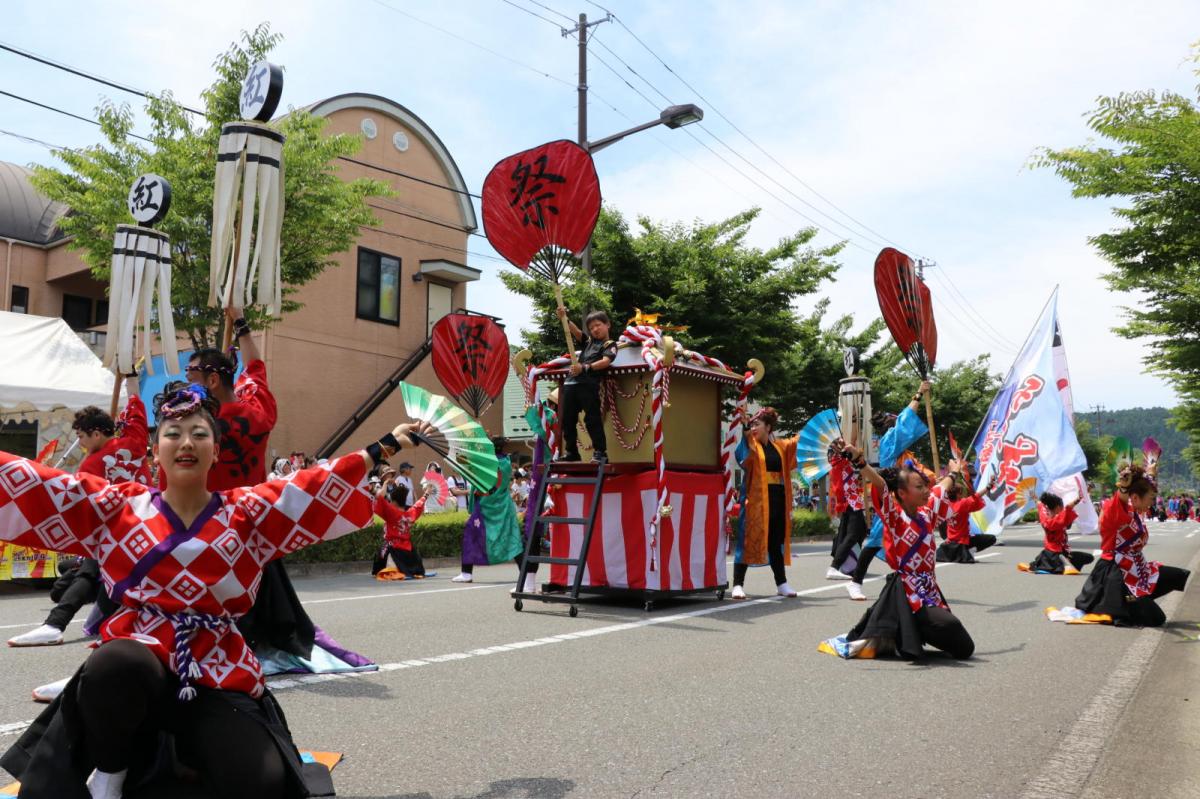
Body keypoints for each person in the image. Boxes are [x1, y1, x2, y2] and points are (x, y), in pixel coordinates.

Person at [0, 379, 433, 798]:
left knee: (259, 778)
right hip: (138, 658)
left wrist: (387, 445)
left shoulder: (247, 512)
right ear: (156, 451)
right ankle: (110, 774)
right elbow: (39, 486)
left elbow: (311, 488)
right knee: (114, 664)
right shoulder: (117, 507)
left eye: (199, 434)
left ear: (216, 450)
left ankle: (189, 754)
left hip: (216, 663)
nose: (186, 443)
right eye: (173, 434)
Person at [8, 373, 148, 648]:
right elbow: (136, 401)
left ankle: (54, 624)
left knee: (89, 574)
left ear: (97, 433)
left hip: (113, 532)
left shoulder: (90, 466)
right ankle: (110, 631)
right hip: (148, 525)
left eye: (82, 436)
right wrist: (131, 376)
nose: (81, 442)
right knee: (111, 581)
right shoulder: (136, 440)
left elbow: (84, 511)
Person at [828, 447, 974, 660]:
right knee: (950, 625)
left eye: (925, 485)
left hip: (930, 589)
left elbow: (941, 488)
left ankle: (907, 633)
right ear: (902, 494)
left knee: (964, 649)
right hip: (908, 592)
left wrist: (954, 472)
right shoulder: (895, 518)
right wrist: (860, 461)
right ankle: (906, 631)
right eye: (919, 487)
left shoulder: (927, 513)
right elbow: (880, 485)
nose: (926, 490)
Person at [1074, 465, 1190, 627]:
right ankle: (1131, 602)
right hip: (1117, 574)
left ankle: (1140, 600)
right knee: (1156, 618)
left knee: (1178, 576)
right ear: (1135, 498)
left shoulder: (1133, 512)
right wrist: (1124, 487)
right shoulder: (1115, 510)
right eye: (1150, 498)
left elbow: (1137, 494)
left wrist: (1149, 475)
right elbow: (1117, 505)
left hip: (1138, 569)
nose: (1151, 503)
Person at [846, 381, 931, 601]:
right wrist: (919, 393)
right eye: (898, 423)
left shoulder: (901, 450)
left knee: (909, 539)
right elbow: (905, 422)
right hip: (893, 496)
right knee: (875, 540)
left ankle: (904, 582)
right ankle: (855, 582)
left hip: (905, 497)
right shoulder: (890, 441)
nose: (907, 429)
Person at [731, 407, 798, 600]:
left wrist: (814, 432)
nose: (754, 428)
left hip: (777, 500)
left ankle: (782, 583)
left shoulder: (780, 446)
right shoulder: (751, 444)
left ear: (768, 427)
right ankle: (737, 584)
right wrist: (744, 426)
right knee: (746, 541)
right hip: (756, 502)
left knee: (775, 543)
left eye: (757, 424)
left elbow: (795, 444)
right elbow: (745, 454)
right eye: (752, 425)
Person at [453, 438, 526, 587]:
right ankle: (525, 572)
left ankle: (466, 573)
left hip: (485, 507)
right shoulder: (506, 463)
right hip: (504, 506)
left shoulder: (486, 464)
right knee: (513, 539)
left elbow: (476, 486)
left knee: (470, 536)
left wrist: (472, 509)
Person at [555, 305, 617, 463]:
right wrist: (564, 317)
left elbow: (605, 361)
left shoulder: (609, 345)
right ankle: (572, 452)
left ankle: (600, 453)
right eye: (591, 327)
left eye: (598, 325)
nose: (595, 329)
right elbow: (574, 331)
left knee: (592, 419)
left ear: (607, 324)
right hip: (571, 384)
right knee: (567, 420)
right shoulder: (588, 343)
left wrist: (585, 367)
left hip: (588, 385)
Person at [371, 472, 432, 580]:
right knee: (415, 565)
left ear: (393, 501)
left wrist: (385, 483)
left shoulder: (392, 512)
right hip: (409, 551)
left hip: (394, 549)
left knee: (382, 553)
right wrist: (426, 493)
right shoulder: (410, 514)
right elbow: (419, 504)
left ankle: (394, 568)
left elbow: (379, 497)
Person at [1020, 491, 1093, 575]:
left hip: (1049, 554)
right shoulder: (1057, 520)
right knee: (1087, 558)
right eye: (1061, 507)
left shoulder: (1044, 517)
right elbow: (1068, 508)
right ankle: (1062, 567)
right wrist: (1078, 499)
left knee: (1085, 557)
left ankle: (1042, 566)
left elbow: (1040, 505)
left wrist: (1035, 498)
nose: (1063, 509)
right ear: (1058, 507)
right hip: (1057, 555)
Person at [826, 438, 866, 580]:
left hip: (851, 502)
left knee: (851, 534)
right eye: (839, 446)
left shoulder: (838, 464)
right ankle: (835, 566)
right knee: (853, 535)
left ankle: (847, 565)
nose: (843, 447)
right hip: (852, 502)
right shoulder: (841, 463)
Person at [934, 474, 997, 563]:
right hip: (962, 540)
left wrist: (940, 482)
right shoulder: (962, 504)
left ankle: (962, 552)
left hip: (950, 540)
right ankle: (968, 551)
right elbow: (977, 496)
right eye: (961, 492)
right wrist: (989, 486)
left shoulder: (946, 504)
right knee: (991, 538)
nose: (963, 494)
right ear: (958, 494)